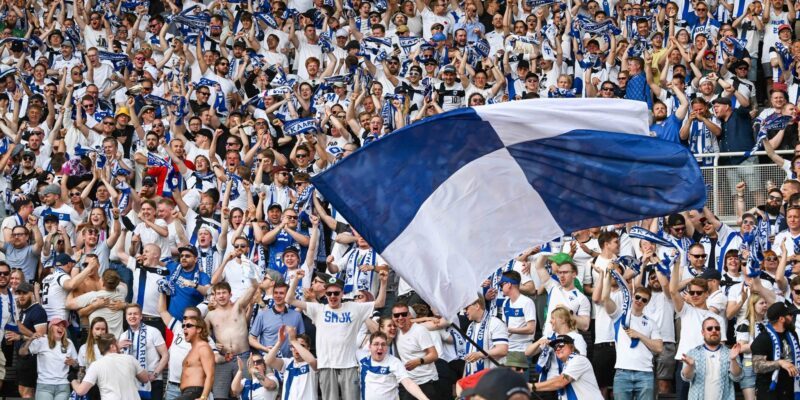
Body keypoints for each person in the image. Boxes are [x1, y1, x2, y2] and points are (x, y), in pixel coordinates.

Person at [286, 274, 376, 400]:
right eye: (329, 293)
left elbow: (380, 302)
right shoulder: (318, 309)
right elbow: (289, 300)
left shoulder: (353, 307)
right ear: (326, 294)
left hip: (348, 364)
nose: (332, 296)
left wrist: (383, 283)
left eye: (336, 293)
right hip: (326, 364)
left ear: (342, 293)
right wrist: (296, 279)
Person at [205, 277, 258, 400]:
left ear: (230, 294)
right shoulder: (210, 315)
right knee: (219, 396)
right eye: (218, 293)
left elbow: (253, 288)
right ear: (214, 296)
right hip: (224, 359)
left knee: (247, 394)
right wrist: (213, 345)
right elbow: (204, 335)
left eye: (224, 293)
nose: (221, 296)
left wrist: (252, 277)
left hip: (243, 356)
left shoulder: (238, 306)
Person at [70, 333, 151, 400]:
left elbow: (80, 391)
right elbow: (145, 379)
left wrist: (73, 379)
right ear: (113, 346)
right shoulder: (130, 359)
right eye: (117, 343)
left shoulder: (96, 365)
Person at [680, 317, 744, 400]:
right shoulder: (693, 353)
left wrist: (733, 360)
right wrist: (690, 366)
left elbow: (737, 377)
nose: (714, 330)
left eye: (717, 328)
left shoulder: (730, 353)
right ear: (703, 332)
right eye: (709, 328)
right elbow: (686, 378)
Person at [19, 317, 79, 400]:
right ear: (50, 328)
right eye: (57, 325)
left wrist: (73, 363)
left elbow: (77, 366)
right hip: (45, 385)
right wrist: (30, 339)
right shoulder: (42, 340)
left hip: (63, 386)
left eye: (63, 326)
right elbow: (22, 353)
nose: (61, 328)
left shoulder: (69, 343)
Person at [360, 332, 431, 400]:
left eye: (383, 344)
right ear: (370, 347)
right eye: (376, 344)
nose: (380, 347)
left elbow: (408, 383)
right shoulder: (362, 360)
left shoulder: (394, 362)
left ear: (386, 347)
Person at [120, 303, 169, 400]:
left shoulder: (153, 331)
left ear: (141, 316)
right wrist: (118, 347)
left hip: (153, 380)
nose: (132, 316)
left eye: (135, 314)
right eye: (129, 314)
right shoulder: (123, 336)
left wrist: (155, 374)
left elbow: (165, 355)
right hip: (132, 381)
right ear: (126, 317)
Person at [751, 302, 800, 399]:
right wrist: (779, 363)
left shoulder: (792, 334)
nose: (792, 317)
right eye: (789, 315)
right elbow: (757, 366)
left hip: (790, 389)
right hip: (770, 390)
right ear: (781, 319)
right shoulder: (763, 339)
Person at [391, 302, 440, 399]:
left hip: (426, 382)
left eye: (404, 314)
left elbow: (434, 355)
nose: (400, 317)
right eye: (396, 315)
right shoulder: (396, 331)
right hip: (409, 383)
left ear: (409, 315)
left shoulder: (419, 330)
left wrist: (418, 361)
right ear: (392, 317)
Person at [532, 335, 603, 399]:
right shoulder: (565, 367)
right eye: (555, 347)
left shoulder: (579, 360)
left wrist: (532, 386)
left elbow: (560, 382)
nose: (557, 349)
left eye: (561, 345)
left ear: (571, 347)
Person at [12, 281, 47, 399]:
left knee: (27, 392)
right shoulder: (24, 310)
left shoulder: (37, 311)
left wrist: (19, 332)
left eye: (25, 293)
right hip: (22, 357)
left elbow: (41, 338)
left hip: (31, 358)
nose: (21, 296)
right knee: (23, 390)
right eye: (19, 293)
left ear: (32, 294)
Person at [264, 326, 318, 400]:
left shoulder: (313, 361)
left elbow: (312, 361)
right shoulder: (287, 362)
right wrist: (279, 342)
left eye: (302, 346)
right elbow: (268, 361)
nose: (297, 349)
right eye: (294, 346)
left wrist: (293, 341)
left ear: (308, 348)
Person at [463, 295, 509, 377]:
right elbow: (469, 358)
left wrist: (479, 354)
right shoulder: (470, 326)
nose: (464, 311)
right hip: (472, 378)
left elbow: (503, 350)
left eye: (466, 308)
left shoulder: (495, 323)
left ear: (477, 306)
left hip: (492, 378)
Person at [177, 316, 216, 400]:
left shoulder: (203, 348)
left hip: (195, 393)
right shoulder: (192, 350)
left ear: (199, 329)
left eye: (188, 325)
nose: (185, 328)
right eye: (183, 326)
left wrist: (203, 397)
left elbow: (210, 375)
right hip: (187, 393)